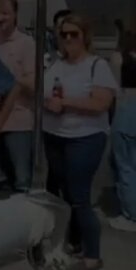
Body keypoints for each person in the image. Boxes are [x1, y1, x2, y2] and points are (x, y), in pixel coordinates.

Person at [43, 14, 118, 269]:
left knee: (79, 198)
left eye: (74, 34)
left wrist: (64, 104)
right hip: (55, 137)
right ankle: (69, 243)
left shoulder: (97, 65)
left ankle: (92, 256)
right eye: (63, 35)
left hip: (85, 139)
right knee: (61, 196)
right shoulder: (55, 63)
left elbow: (101, 103)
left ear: (85, 36)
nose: (68, 39)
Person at [0, 0, 36, 194]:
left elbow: (34, 85)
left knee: (23, 183)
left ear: (15, 14)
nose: (0, 18)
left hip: (19, 124)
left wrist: (8, 79)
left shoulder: (27, 43)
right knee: (1, 182)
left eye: (5, 13)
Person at [109, 31, 136, 232]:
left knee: (125, 167)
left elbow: (114, 90)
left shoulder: (119, 58)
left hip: (126, 112)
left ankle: (131, 215)